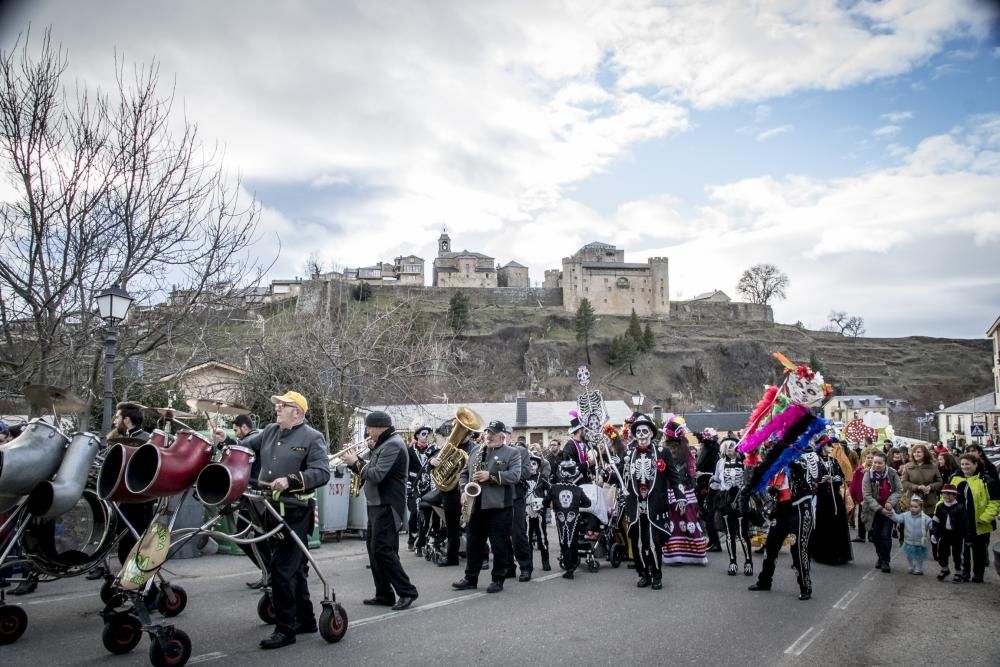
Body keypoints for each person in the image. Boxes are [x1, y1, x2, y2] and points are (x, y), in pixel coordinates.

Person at [240, 391, 331, 649]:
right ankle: (306, 619)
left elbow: (321, 472)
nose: (277, 408)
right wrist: (230, 443)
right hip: (269, 508)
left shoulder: (313, 437)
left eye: (284, 405)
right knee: (294, 569)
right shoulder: (269, 430)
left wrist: (290, 481)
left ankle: (285, 630)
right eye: (278, 405)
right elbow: (247, 447)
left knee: (282, 569)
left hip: (296, 510)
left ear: (298, 413)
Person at [343, 410, 419, 611]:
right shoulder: (383, 444)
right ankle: (384, 594)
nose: (368, 432)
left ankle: (407, 591)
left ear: (379, 427)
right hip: (376, 504)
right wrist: (360, 459)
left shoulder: (393, 444)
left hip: (388, 504)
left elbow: (376, 474)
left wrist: (355, 462)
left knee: (383, 550)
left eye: (369, 428)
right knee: (374, 550)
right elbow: (371, 467)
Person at [452, 420, 522, 594]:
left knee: (499, 546)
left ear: (501, 436)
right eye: (487, 432)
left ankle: (498, 579)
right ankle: (470, 578)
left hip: (499, 507)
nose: (488, 436)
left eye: (492, 433)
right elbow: (465, 473)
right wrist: (463, 489)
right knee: (473, 545)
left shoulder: (512, 453)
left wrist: (490, 476)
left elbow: (515, 475)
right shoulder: (476, 450)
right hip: (476, 505)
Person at [621, 413, 685, 590]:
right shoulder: (628, 454)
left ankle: (656, 574)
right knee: (638, 542)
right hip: (635, 504)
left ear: (651, 433)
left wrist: (680, 496)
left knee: (653, 542)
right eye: (638, 431)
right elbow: (619, 477)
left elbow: (674, 476)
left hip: (655, 504)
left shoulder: (662, 452)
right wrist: (605, 473)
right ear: (635, 435)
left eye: (645, 431)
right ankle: (643, 574)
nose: (641, 434)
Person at [748, 445, 820, 600]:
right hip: (781, 510)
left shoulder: (801, 458)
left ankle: (805, 586)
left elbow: (805, 471)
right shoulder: (775, 467)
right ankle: (764, 581)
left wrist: (786, 457)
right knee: (771, 546)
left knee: (798, 549)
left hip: (799, 508)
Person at [212, 414, 269, 589]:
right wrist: (225, 441)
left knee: (255, 537)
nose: (236, 434)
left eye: (236, 430)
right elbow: (240, 448)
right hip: (250, 497)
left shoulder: (255, 438)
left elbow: (242, 450)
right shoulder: (249, 440)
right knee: (250, 536)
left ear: (244, 427)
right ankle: (269, 572)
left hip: (255, 497)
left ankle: (271, 572)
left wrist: (225, 442)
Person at [662, 416, 709, 566]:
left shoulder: (664, 450)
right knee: (689, 519)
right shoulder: (685, 449)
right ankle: (695, 552)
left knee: (672, 521)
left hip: (670, 490)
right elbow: (691, 472)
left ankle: (674, 553)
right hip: (685, 491)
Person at [430, 419, 475, 568]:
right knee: (452, 527)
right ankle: (452, 557)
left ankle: (481, 557)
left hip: (465, 491)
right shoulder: (449, 446)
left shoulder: (475, 449)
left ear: (469, 434)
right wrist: (432, 462)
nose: (457, 433)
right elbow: (436, 463)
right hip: (449, 492)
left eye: (462, 431)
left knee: (472, 526)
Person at [949, 454, 1000, 583]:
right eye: (962, 464)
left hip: (979, 520)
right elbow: (946, 497)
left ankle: (978, 573)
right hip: (960, 521)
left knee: (979, 549)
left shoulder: (985, 480)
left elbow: (995, 501)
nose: (965, 467)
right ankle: (964, 573)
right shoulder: (955, 479)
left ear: (976, 464)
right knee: (962, 549)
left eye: (968, 464)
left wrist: (986, 517)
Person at [711, 437, 753, 576]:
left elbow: (751, 478)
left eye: (732, 446)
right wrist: (715, 489)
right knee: (729, 533)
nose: (729, 449)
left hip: (740, 499)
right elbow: (716, 480)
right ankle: (733, 562)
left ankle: (748, 561)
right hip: (726, 500)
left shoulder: (744, 462)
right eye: (727, 447)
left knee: (742, 533)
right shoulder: (721, 463)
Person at [809, 440, 853, 566]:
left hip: (835, 498)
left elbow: (841, 476)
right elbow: (811, 479)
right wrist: (821, 481)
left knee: (837, 523)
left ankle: (838, 553)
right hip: (822, 498)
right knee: (823, 523)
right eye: (829, 445)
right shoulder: (815, 461)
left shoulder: (833, 461)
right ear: (822, 446)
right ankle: (823, 554)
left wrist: (837, 479)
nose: (831, 447)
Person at [861, 451, 903, 574]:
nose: (877, 465)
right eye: (874, 462)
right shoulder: (868, 475)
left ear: (885, 463)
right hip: (873, 511)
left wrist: (890, 502)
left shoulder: (892, 473)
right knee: (875, 536)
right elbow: (867, 495)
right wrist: (880, 509)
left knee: (885, 535)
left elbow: (899, 490)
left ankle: (885, 561)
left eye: (880, 463)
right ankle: (880, 556)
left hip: (889, 510)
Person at [550, 460, 591, 579]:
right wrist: (576, 506)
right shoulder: (578, 489)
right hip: (574, 518)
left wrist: (555, 505)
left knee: (564, 542)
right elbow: (587, 503)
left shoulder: (554, 488)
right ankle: (572, 565)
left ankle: (569, 569)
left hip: (560, 518)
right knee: (573, 542)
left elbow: (546, 502)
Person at [506, 430, 534, 582]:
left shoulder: (521, 451)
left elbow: (525, 472)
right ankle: (509, 567)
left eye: (505, 434)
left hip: (516, 496)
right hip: (499, 498)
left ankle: (525, 567)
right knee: (502, 535)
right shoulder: (491, 451)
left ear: (510, 436)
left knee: (518, 534)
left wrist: (505, 472)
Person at [405, 425, 432, 551]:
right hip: (413, 485)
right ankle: (412, 537)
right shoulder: (410, 451)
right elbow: (405, 469)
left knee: (426, 513)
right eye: (423, 434)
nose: (426, 437)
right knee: (415, 512)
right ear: (417, 436)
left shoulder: (432, 450)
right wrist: (409, 486)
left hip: (427, 486)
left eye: (427, 434)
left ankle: (422, 540)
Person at [890, 496, 933, 575]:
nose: (913, 508)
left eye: (916, 507)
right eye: (911, 506)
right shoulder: (906, 515)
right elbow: (898, 518)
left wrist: (935, 527)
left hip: (920, 541)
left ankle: (919, 567)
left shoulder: (925, 518)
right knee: (909, 554)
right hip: (908, 540)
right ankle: (910, 565)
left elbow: (932, 524)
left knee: (919, 555)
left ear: (921, 507)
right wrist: (892, 513)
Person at [932, 484, 965, 582]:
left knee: (957, 554)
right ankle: (944, 569)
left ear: (955, 495)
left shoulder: (960, 507)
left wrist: (966, 536)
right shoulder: (940, 507)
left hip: (957, 534)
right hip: (944, 533)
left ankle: (959, 571)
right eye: (945, 494)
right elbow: (936, 520)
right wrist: (935, 533)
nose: (947, 496)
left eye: (950, 494)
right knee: (942, 552)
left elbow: (965, 522)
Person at [696, 428, 722, 552]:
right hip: (703, 485)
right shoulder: (706, 451)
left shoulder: (712, 453)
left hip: (708, 488)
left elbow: (714, 473)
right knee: (706, 515)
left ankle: (715, 542)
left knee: (709, 515)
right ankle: (713, 540)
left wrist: (702, 474)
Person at [526, 451, 551, 571]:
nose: (531, 465)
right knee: (527, 537)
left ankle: (545, 561)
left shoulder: (542, 478)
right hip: (526, 512)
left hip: (539, 513)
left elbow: (550, 490)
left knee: (542, 537)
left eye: (534, 463)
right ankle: (528, 564)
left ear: (538, 466)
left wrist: (544, 502)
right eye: (529, 463)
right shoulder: (522, 478)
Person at [901, 443, 942, 514]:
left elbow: (939, 481)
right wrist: (917, 487)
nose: (916, 454)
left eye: (919, 452)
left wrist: (930, 487)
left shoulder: (933, 466)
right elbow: (904, 482)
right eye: (914, 452)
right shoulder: (908, 466)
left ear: (925, 453)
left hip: (929, 502)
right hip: (913, 502)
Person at [849, 448, 876, 543]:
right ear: (864, 458)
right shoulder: (860, 469)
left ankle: (872, 535)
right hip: (862, 497)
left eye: (872, 458)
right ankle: (861, 535)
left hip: (874, 496)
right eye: (868, 457)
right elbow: (855, 483)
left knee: (873, 516)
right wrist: (852, 494)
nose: (870, 459)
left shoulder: (877, 469)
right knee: (862, 516)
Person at [561, 416, 592, 483]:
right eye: (585, 430)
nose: (586, 432)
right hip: (576, 482)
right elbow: (570, 465)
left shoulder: (585, 443)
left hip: (586, 479)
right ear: (580, 430)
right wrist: (588, 463)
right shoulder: (569, 446)